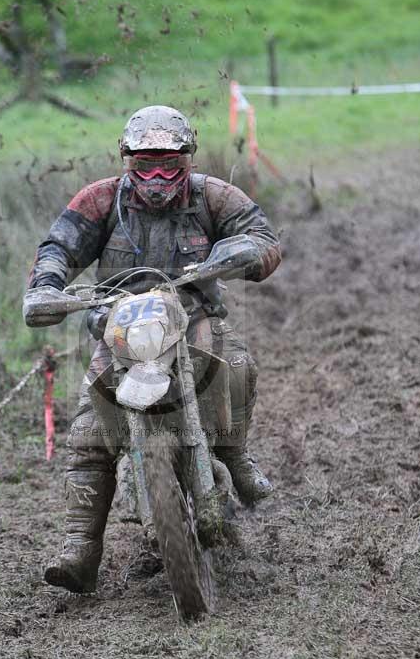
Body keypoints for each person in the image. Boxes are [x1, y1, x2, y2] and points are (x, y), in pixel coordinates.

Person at [24, 105, 281, 593]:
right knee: (89, 430)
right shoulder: (101, 200)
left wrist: (240, 253)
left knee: (238, 365)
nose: (157, 176)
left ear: (188, 158)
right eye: (145, 165)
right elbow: (58, 247)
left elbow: (263, 236)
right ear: (126, 160)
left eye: (169, 164)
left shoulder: (212, 196)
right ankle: (80, 547)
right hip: (119, 326)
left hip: (193, 316)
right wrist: (46, 287)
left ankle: (235, 453)